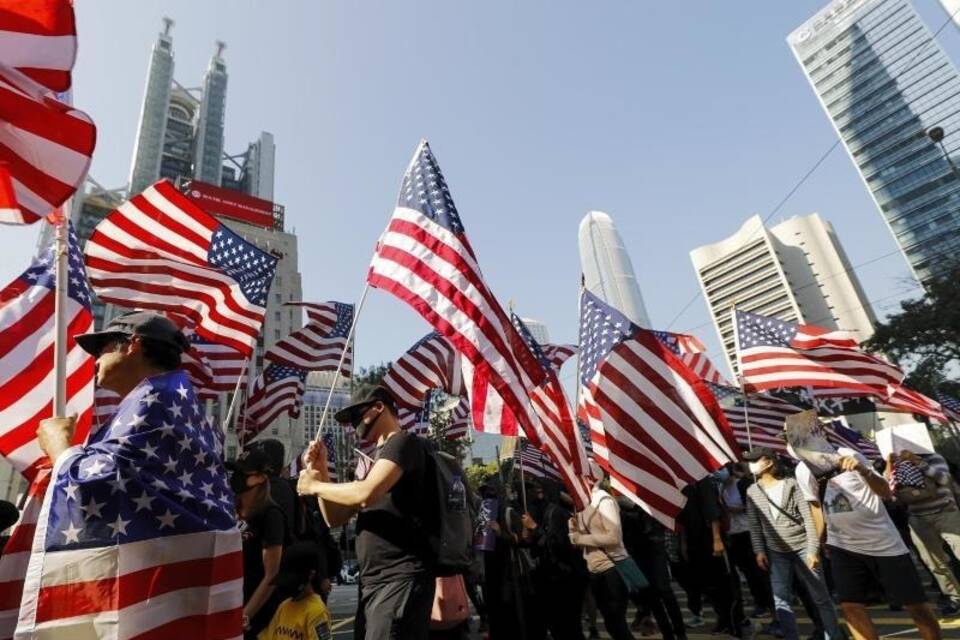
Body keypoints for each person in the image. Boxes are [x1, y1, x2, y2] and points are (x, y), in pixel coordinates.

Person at [33, 311, 238, 637]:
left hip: (154, 595)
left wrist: (60, 448)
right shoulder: (171, 399)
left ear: (134, 345)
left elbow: (103, 484)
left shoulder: (154, 399)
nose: (96, 359)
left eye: (103, 348)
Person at [297, 387, 435, 639]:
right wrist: (322, 473)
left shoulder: (403, 442)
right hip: (372, 581)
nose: (354, 425)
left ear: (378, 407)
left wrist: (314, 485)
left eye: (356, 416)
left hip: (400, 577)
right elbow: (335, 518)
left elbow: (365, 493)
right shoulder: (375, 461)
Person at [795, 445, 942, 640]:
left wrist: (864, 471)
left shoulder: (849, 454)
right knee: (850, 606)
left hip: (884, 544)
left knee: (915, 604)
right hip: (842, 545)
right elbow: (815, 507)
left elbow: (885, 492)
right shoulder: (802, 469)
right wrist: (817, 546)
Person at [744, 447, 841, 640]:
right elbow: (754, 524)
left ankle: (834, 635)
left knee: (820, 597)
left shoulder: (791, 484)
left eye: (756, 459)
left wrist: (813, 550)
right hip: (776, 551)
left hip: (803, 547)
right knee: (781, 600)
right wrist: (759, 550)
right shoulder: (752, 491)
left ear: (769, 462)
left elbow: (808, 518)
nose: (751, 464)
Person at [886, 449, 960, 615]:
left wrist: (918, 462)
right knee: (934, 562)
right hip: (918, 517)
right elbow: (888, 491)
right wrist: (890, 464)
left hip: (945, 512)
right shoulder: (896, 464)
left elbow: (943, 479)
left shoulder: (933, 457)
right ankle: (954, 597)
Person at [569, 462, 636, 640]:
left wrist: (580, 538)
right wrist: (573, 530)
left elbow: (613, 537)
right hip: (594, 571)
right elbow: (574, 540)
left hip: (612, 568)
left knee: (617, 624)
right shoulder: (583, 505)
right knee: (610, 623)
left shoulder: (604, 500)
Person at [231, 447, 292, 638]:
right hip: (232, 602)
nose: (235, 477)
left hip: (258, 617)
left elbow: (271, 576)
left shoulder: (270, 515)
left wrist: (246, 614)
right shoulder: (231, 510)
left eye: (242, 473)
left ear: (260, 478)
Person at [676, 477, 745, 637]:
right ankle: (723, 619)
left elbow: (712, 511)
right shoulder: (683, 482)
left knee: (724, 583)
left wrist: (716, 539)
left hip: (711, 540)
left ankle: (735, 621)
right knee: (709, 584)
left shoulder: (702, 480)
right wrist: (685, 544)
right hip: (695, 541)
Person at [521, 479, 587, 640]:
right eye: (534, 491)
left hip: (564, 580)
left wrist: (534, 528)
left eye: (540, 491)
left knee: (568, 628)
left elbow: (555, 543)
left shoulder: (556, 512)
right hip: (554, 579)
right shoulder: (545, 512)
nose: (537, 495)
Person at [719, 463, 774, 619]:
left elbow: (758, 506)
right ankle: (760, 603)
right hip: (734, 534)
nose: (719, 473)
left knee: (758, 571)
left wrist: (740, 509)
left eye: (721, 469)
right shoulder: (722, 488)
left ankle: (770, 605)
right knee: (747, 572)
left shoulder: (743, 484)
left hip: (750, 532)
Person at [258, 541, 332, 640]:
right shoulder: (284, 606)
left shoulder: (317, 612)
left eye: (292, 581)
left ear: (311, 574)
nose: (287, 586)